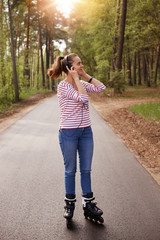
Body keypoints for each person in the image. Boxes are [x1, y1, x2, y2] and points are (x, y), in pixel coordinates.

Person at [48, 53, 106, 224]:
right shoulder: (63, 87)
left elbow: (101, 88)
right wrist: (76, 79)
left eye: (81, 63)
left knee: (86, 170)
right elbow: (82, 98)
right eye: (79, 64)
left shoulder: (81, 83)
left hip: (86, 132)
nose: (82, 65)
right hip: (69, 133)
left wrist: (85, 76)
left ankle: (88, 204)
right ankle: (69, 204)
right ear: (70, 67)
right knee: (70, 170)